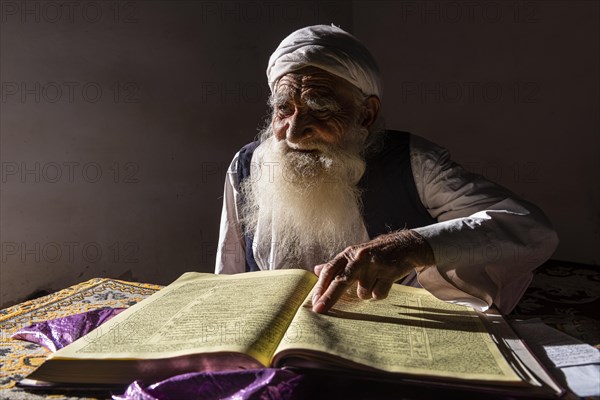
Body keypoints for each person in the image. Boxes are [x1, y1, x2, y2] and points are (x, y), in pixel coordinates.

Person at [214, 24, 558, 315]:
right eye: (284, 108)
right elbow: (227, 277)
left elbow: (530, 229)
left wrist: (410, 246)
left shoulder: (413, 161)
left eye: (319, 109)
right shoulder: (247, 165)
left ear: (365, 115)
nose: (293, 130)